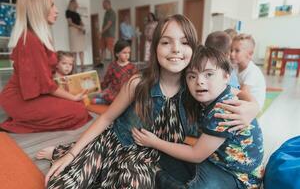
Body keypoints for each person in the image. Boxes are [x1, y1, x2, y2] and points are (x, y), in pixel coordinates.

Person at [36, 15, 258, 188]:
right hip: (114, 144)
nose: (176, 50)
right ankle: (67, 149)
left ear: (194, 48)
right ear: (155, 48)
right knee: (62, 183)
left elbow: (237, 92)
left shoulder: (197, 85)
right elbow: (106, 117)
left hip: (149, 158)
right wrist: (72, 155)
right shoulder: (137, 83)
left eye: (184, 42)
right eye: (166, 42)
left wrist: (252, 107)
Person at [133, 46, 264, 189]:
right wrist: (254, 104)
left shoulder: (223, 110)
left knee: (171, 158)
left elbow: (196, 155)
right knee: (167, 156)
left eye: (208, 74)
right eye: (192, 76)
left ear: (226, 76)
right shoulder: (220, 92)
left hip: (239, 177)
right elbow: (238, 91)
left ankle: (158, 177)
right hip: (217, 162)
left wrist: (155, 142)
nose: (199, 81)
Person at [0, 0, 91, 133]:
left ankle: (24, 118)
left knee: (78, 103)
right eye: (52, 5)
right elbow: (46, 85)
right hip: (19, 99)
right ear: (39, 9)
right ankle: (18, 121)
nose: (57, 10)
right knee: (78, 110)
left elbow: (47, 77)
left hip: (32, 94)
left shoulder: (38, 36)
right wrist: (72, 97)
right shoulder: (30, 39)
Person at [89, 40, 138, 104]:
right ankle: (101, 97)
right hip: (113, 92)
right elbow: (106, 80)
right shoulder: (112, 66)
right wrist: (100, 88)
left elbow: (135, 82)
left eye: (129, 53)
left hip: (125, 94)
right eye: (124, 53)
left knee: (107, 99)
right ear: (117, 54)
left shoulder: (132, 67)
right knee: (101, 95)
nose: (127, 55)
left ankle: (102, 100)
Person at [231, 33, 266, 109]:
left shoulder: (253, 71)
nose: (232, 54)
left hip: (253, 107)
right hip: (243, 101)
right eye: (231, 50)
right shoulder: (236, 67)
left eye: (237, 51)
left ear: (250, 54)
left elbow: (243, 94)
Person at [66, 0, 86, 71]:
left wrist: (82, 27)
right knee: (74, 50)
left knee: (81, 49)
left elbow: (81, 23)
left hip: (79, 31)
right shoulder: (68, 12)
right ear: (73, 4)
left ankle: (82, 64)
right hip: (73, 31)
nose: (77, 4)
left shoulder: (77, 14)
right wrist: (79, 27)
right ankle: (74, 65)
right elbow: (70, 23)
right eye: (76, 3)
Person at [98, 0, 116, 66]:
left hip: (110, 34)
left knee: (111, 49)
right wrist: (102, 33)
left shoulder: (112, 13)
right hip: (104, 34)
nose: (102, 6)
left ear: (107, 4)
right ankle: (101, 62)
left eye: (103, 5)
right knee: (102, 48)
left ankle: (114, 63)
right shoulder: (106, 12)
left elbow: (109, 24)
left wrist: (101, 31)